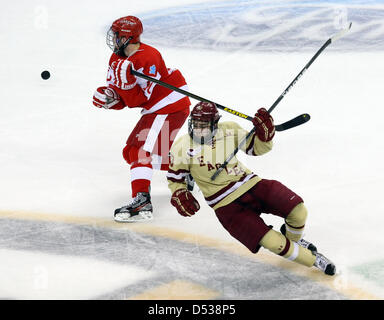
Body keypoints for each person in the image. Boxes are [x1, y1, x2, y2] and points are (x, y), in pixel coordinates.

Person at [166, 101, 336, 275]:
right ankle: (314, 259)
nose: (198, 129)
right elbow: (174, 178)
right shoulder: (181, 147)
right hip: (226, 206)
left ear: (215, 123)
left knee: (299, 212)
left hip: (252, 184)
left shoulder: (229, 129)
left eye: (203, 125)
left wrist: (264, 136)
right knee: (273, 243)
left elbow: (255, 149)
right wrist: (179, 192)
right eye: (195, 124)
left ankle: (295, 241)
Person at [92, 16, 190, 222]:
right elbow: (124, 98)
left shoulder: (149, 57)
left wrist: (126, 88)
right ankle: (187, 170)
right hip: (155, 107)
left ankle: (142, 200)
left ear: (127, 37)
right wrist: (109, 99)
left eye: (116, 35)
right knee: (130, 153)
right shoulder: (116, 58)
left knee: (140, 151)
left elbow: (138, 98)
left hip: (169, 104)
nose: (113, 38)